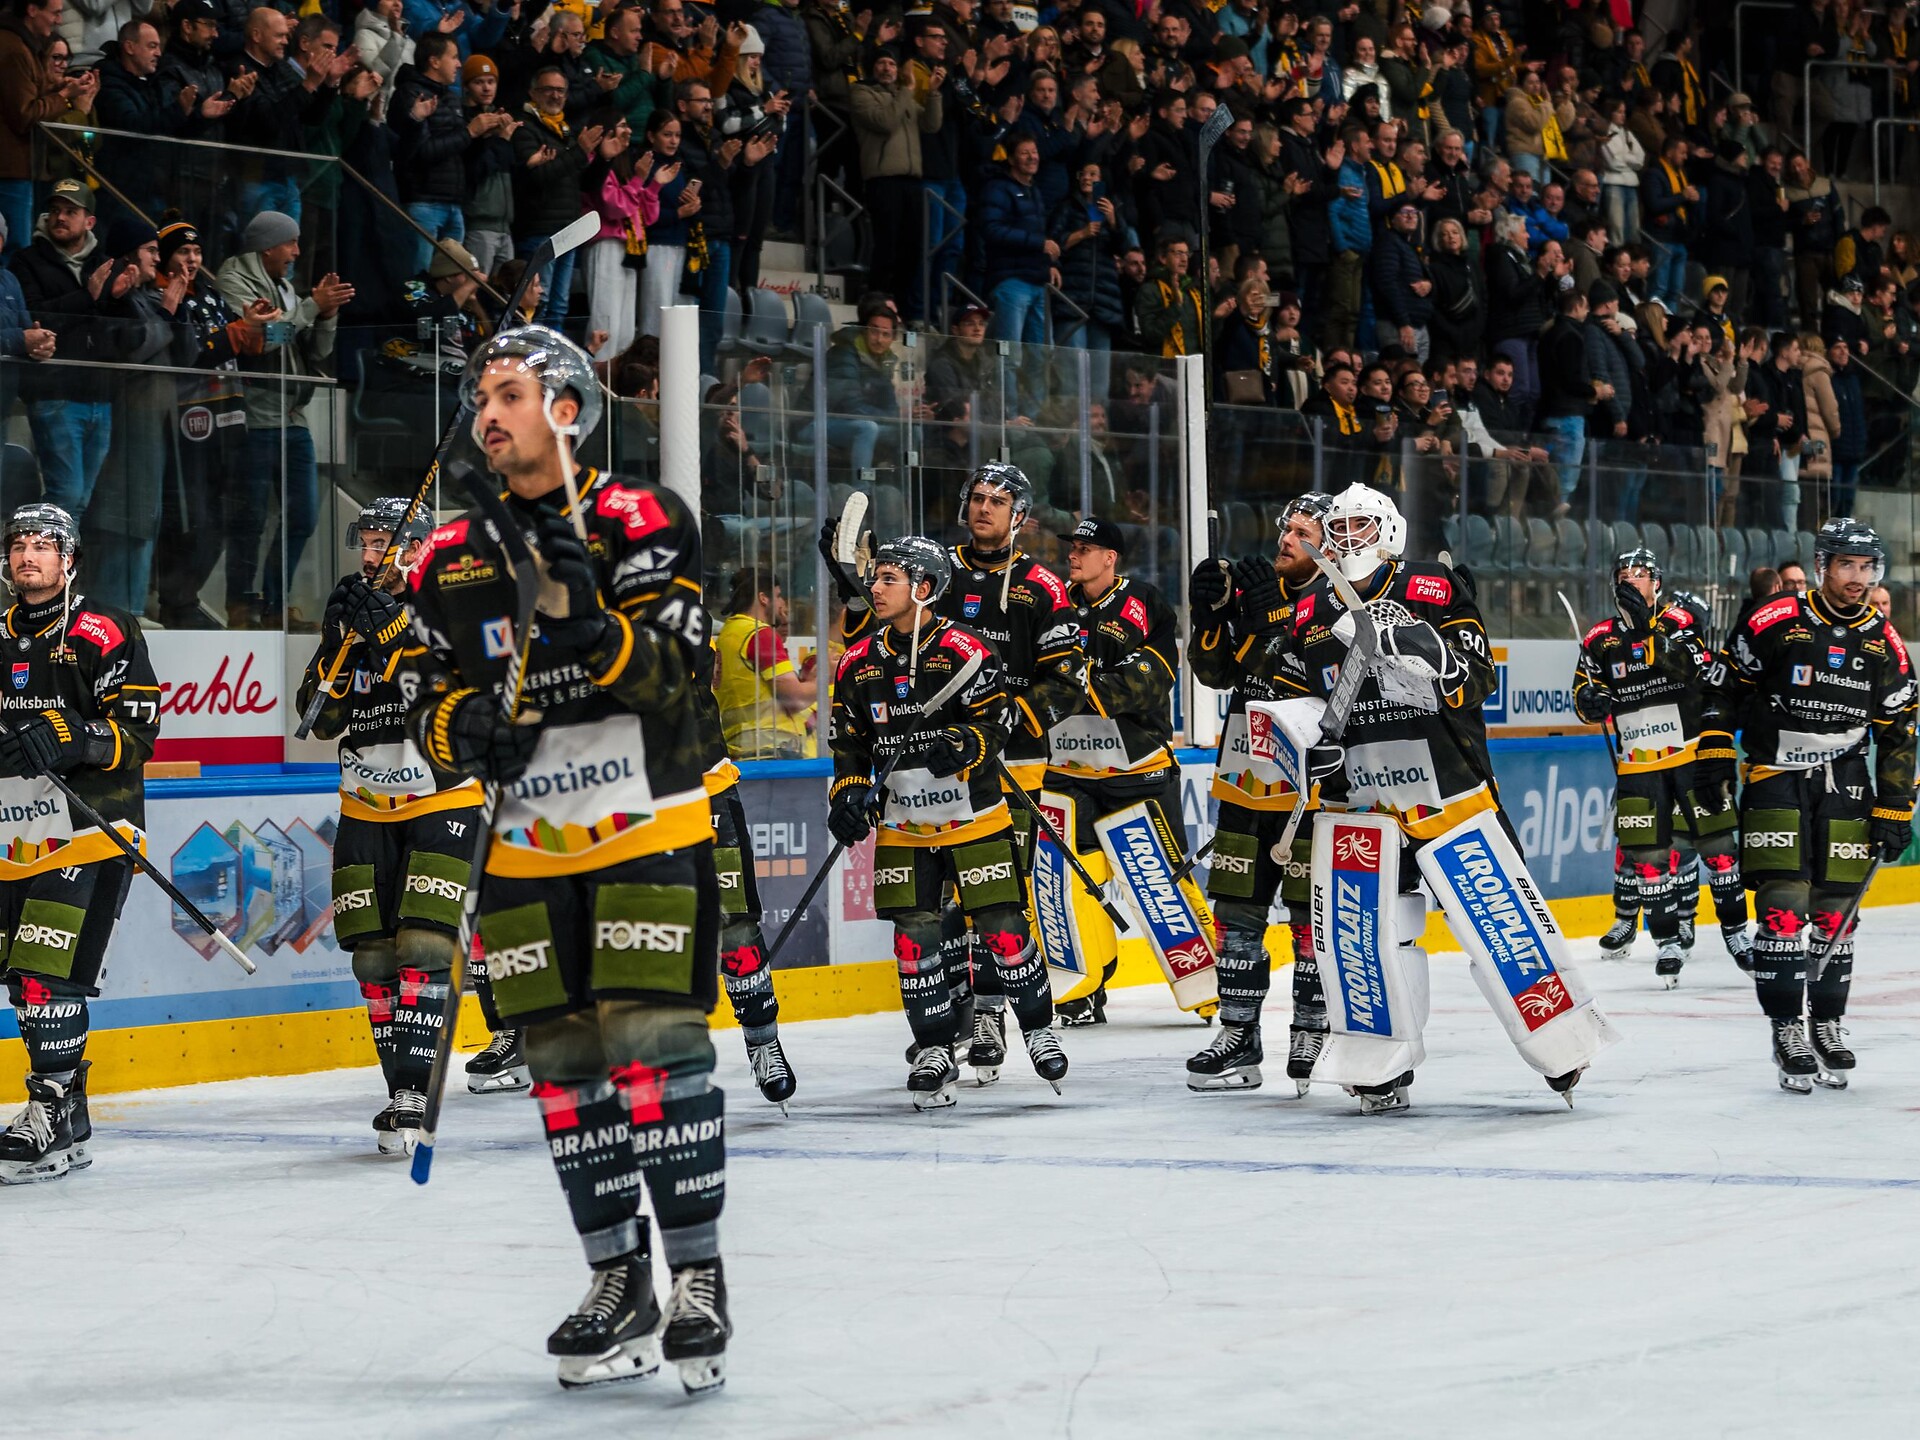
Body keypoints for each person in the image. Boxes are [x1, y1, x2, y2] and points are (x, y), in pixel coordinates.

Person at [401, 325, 731, 1391]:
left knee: (649, 1040)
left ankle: (696, 1276)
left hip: (647, 826)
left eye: (509, 392)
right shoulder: (451, 558)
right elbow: (425, 702)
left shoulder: (643, 519)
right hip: (525, 850)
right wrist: (460, 730)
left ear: (570, 411)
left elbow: (680, 681)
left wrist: (600, 631)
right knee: (562, 1068)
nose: (487, 414)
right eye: (478, 397)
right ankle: (616, 1275)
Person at [1233, 483, 1615, 1113]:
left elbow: (1476, 678)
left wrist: (1425, 653)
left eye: (1361, 525)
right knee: (1365, 936)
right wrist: (1306, 747)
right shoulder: (1309, 611)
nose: (1347, 536)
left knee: (1499, 927)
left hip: (1449, 792)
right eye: (1339, 525)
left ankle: (1561, 1040)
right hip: (1360, 804)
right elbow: (1300, 703)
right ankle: (1380, 1061)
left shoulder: (1429, 586)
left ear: (1388, 531)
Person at [820, 461, 1086, 1078]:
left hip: (1008, 761)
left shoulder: (1042, 587)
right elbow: (873, 654)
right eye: (976, 498)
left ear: (1020, 517)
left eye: (998, 501)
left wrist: (984, 736)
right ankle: (949, 1025)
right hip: (918, 776)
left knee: (996, 902)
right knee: (931, 911)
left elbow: (1068, 680)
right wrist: (851, 584)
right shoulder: (931, 569)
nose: (983, 508)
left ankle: (995, 1013)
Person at [296, 499, 504, 1144]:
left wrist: (393, 632)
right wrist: (339, 647)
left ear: (419, 548)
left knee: (424, 947)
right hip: (364, 802)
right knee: (374, 959)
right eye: (366, 542)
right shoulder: (353, 612)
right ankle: (400, 1090)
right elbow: (314, 719)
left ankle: (415, 1092)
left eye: (386, 542)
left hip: (444, 799)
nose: (370, 554)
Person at [1702, 517, 1917, 1091]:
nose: (1858, 578)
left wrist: (1896, 806)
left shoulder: (1883, 642)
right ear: (1822, 566)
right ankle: (1784, 1026)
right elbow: (1724, 689)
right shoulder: (1775, 619)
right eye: (1847, 565)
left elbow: (1900, 728)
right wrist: (1716, 754)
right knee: (1783, 906)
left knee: (1837, 914)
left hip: (1846, 783)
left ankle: (1826, 1022)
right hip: (1776, 777)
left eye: (1867, 567)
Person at [0, 503, 160, 1183]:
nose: (28, 555)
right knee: (22, 982)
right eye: (18, 545)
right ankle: (69, 1119)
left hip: (92, 829)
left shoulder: (104, 629)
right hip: (13, 835)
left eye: (43, 545)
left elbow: (139, 734)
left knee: (45, 976)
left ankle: (52, 1108)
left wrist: (73, 736)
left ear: (70, 559)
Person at [1037, 516, 1209, 1027]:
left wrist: (1072, 686)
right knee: (1070, 888)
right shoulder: (1054, 604)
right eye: (1073, 546)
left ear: (1110, 557)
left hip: (1137, 769)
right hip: (1067, 770)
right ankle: (1081, 992)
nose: (1075, 553)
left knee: (1162, 883)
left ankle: (1207, 990)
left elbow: (1150, 680)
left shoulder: (1144, 602)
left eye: (1086, 547)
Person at [1186, 493, 1331, 1092]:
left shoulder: (1337, 609)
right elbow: (1216, 673)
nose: (1286, 538)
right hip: (1246, 779)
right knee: (1236, 917)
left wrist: (1272, 621)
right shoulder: (1257, 593)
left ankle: (1312, 1028)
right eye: (1286, 528)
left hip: (1310, 794)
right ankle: (1239, 1033)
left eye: (1302, 531)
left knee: (1307, 921)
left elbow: (1309, 680)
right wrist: (1212, 615)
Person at [1572, 548, 1750, 987]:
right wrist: (1589, 704)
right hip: (1638, 763)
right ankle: (1667, 943)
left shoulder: (1680, 622)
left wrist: (1646, 631)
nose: (1633, 581)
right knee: (1649, 860)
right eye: (1625, 575)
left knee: (1719, 849)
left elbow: (1690, 668)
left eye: (1642, 575)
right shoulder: (1599, 637)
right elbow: (1582, 691)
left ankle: (1737, 934)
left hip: (1689, 757)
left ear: (1658, 583)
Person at [216, 209, 353, 630]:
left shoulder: (286, 289)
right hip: (255, 419)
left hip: (294, 419)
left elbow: (316, 352)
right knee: (250, 519)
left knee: (302, 517)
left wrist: (325, 315)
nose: (296, 252)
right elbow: (263, 341)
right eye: (291, 243)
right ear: (268, 245)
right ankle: (241, 605)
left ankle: (277, 604)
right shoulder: (233, 280)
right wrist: (312, 306)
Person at [714, 566, 815, 760]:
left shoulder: (728, 634)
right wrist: (825, 678)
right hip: (772, 748)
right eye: (778, 596)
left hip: (742, 749)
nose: (782, 603)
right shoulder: (760, 634)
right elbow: (794, 699)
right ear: (763, 598)